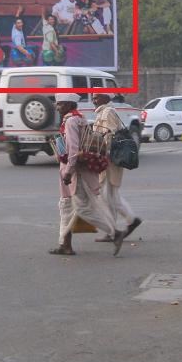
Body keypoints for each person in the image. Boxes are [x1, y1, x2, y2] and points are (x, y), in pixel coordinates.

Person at [50, 93, 127, 257]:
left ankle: (114, 233)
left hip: (75, 172)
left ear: (70, 105)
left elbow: (73, 149)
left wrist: (69, 172)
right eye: (57, 104)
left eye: (61, 104)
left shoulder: (71, 122)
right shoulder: (80, 119)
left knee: (82, 209)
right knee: (66, 206)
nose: (58, 108)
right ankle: (65, 245)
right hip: (81, 170)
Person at [91, 91, 142, 243]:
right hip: (107, 159)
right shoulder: (103, 112)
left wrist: (102, 155)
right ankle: (112, 231)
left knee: (108, 196)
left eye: (96, 97)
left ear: (106, 98)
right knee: (109, 195)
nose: (94, 100)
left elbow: (110, 135)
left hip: (109, 160)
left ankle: (131, 220)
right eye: (93, 97)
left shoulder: (108, 112)